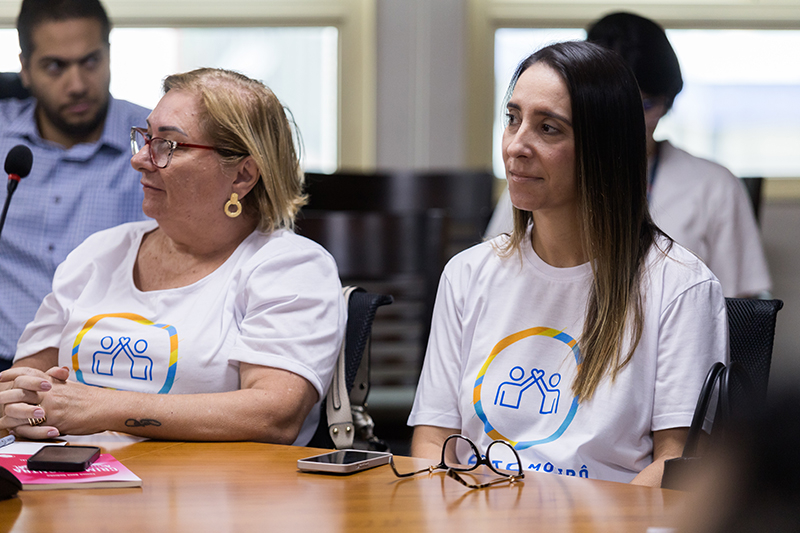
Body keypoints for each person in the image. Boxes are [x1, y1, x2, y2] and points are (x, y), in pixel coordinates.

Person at [408, 41, 727, 486]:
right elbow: (433, 441)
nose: (516, 146)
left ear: (604, 151)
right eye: (513, 119)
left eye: (549, 129)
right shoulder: (467, 273)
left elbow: (676, 468)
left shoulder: (681, 287)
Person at [0, 68, 345, 445]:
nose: (140, 159)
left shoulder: (291, 266)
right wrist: (21, 407)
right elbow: (25, 381)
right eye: (146, 138)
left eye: (169, 145)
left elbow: (273, 415)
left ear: (242, 175)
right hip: (71, 483)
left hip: (215, 496)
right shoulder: (100, 252)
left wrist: (101, 407)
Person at [485, 12, 771, 299]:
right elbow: (495, 273)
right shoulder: (539, 177)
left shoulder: (713, 185)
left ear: (668, 102)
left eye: (644, 105)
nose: (628, 122)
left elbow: (741, 308)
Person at [0, 0, 149, 371]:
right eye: (55, 66)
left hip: (117, 368)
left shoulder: (155, 143)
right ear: (25, 69)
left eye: (90, 62)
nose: (78, 85)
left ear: (110, 56)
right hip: (5, 365)